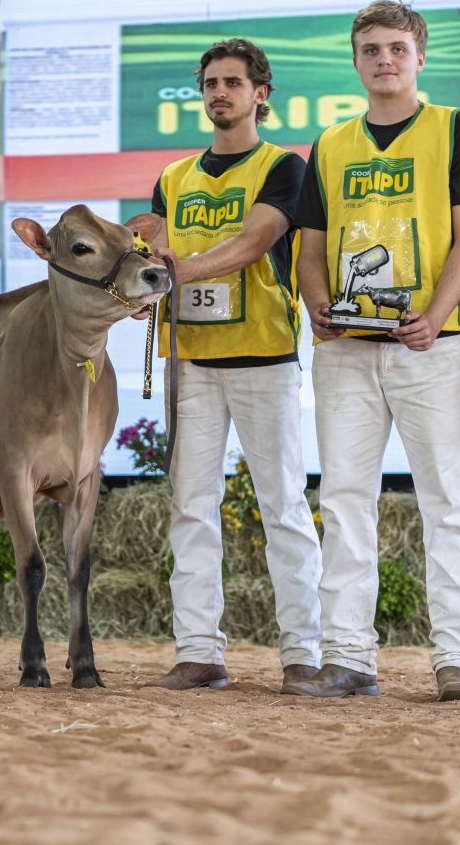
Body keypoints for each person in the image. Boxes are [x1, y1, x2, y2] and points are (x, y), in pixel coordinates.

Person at [287, 0, 460, 701]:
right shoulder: (332, 143)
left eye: (397, 48)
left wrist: (437, 315)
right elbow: (311, 247)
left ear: (420, 57)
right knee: (345, 498)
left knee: (448, 499)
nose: (384, 60)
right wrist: (317, 303)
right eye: (371, 49)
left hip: (431, 347)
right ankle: (348, 656)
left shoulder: (454, 128)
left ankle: (458, 659)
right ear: (355, 61)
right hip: (347, 350)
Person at [126, 39, 323, 694]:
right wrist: (141, 268)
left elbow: (253, 242)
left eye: (233, 82)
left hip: (264, 354)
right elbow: (152, 250)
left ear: (260, 94)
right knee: (189, 507)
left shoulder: (283, 166)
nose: (219, 93)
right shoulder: (174, 177)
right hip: (188, 358)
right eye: (210, 82)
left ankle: (304, 653)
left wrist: (171, 269)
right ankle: (198, 651)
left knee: (283, 506)